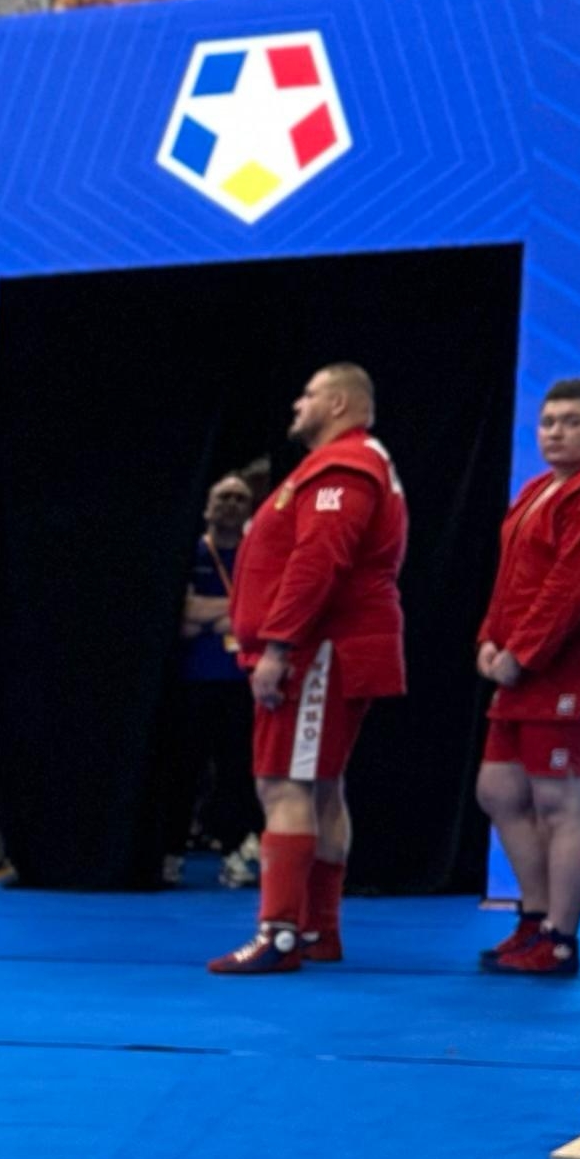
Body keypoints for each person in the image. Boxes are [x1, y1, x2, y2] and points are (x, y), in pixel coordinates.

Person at [211, 361, 409, 975]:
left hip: (318, 648)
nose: (297, 403)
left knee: (285, 785)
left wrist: (278, 645)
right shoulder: (341, 464)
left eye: (310, 394)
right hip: (321, 644)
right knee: (319, 786)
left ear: (342, 402)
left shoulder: (344, 466)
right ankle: (318, 930)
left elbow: (319, 560)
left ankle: (280, 934)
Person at [472, 376, 580, 976]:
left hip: (573, 672)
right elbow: (512, 579)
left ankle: (560, 937)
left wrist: (519, 654)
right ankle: (534, 917)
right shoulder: (540, 490)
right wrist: (489, 640)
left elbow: (576, 590)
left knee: (562, 807)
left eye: (571, 421)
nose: (555, 431)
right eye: (548, 421)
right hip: (525, 668)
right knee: (498, 790)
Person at [146, 469, 261, 884]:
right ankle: (171, 852)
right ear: (206, 506)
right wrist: (234, 611)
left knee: (238, 773)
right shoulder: (190, 554)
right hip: (191, 681)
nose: (231, 504)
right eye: (224, 496)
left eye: (240, 499)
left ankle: (235, 854)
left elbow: (261, 618)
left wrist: (214, 614)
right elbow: (182, 618)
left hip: (242, 684)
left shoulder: (258, 555)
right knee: (181, 770)